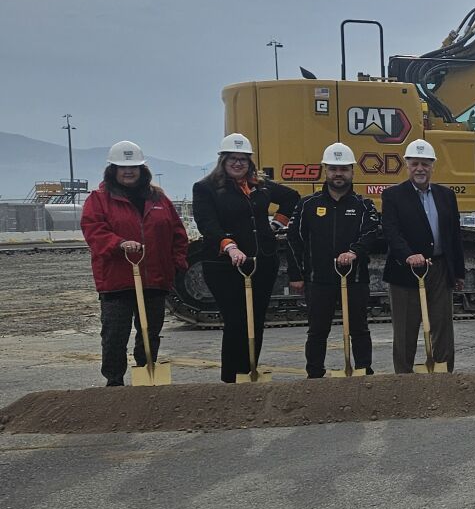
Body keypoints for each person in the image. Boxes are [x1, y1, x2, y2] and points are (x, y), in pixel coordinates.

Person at [192, 133, 300, 383]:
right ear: (223, 160)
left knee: (256, 319)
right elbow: (207, 223)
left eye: (243, 159)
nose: (238, 163)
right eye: (233, 158)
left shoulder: (260, 185)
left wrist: (276, 224)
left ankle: (250, 369)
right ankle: (232, 377)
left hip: (262, 262)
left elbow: (291, 197)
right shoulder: (206, 188)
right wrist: (229, 246)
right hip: (224, 266)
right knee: (236, 320)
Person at [82, 140, 190, 386]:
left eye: (133, 167)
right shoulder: (99, 199)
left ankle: (147, 374)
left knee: (150, 334)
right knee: (114, 335)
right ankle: (114, 381)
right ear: (113, 170)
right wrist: (119, 244)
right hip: (116, 281)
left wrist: (176, 264)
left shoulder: (159, 199)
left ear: (142, 169)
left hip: (154, 279)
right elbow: (94, 231)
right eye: (122, 167)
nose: (128, 171)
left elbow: (178, 233)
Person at [285, 142, 382, 378]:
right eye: (333, 169)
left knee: (359, 329)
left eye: (344, 169)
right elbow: (294, 240)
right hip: (318, 280)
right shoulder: (307, 205)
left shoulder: (364, 205)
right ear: (325, 171)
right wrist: (296, 274)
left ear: (352, 171)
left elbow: (371, 232)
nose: (338, 174)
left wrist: (354, 252)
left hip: (355, 278)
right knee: (317, 331)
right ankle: (314, 375)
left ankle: (363, 372)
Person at [380, 138, 465, 373]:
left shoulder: (446, 195)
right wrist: (408, 255)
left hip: (439, 269)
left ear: (432, 166)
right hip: (405, 272)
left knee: (442, 326)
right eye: (415, 163)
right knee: (405, 330)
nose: (420, 169)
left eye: (425, 164)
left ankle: (443, 375)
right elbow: (391, 231)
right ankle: (404, 378)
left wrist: (458, 272)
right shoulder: (393, 195)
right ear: (407, 165)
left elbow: (454, 236)